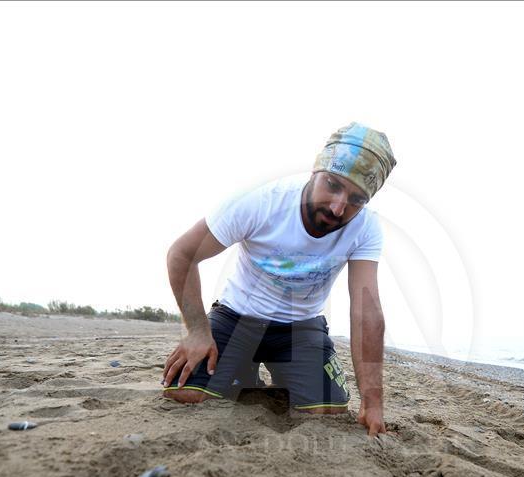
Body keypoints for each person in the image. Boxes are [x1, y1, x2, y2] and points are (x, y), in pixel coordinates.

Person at [161, 122, 395, 437]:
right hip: (237, 317)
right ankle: (243, 370)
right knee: (185, 395)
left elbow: (366, 310)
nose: (338, 207)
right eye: (333, 184)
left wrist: (373, 400)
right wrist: (198, 331)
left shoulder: (366, 228)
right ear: (316, 172)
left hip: (300, 327)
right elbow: (182, 254)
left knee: (327, 411)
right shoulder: (261, 201)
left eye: (356, 199)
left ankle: (271, 373)